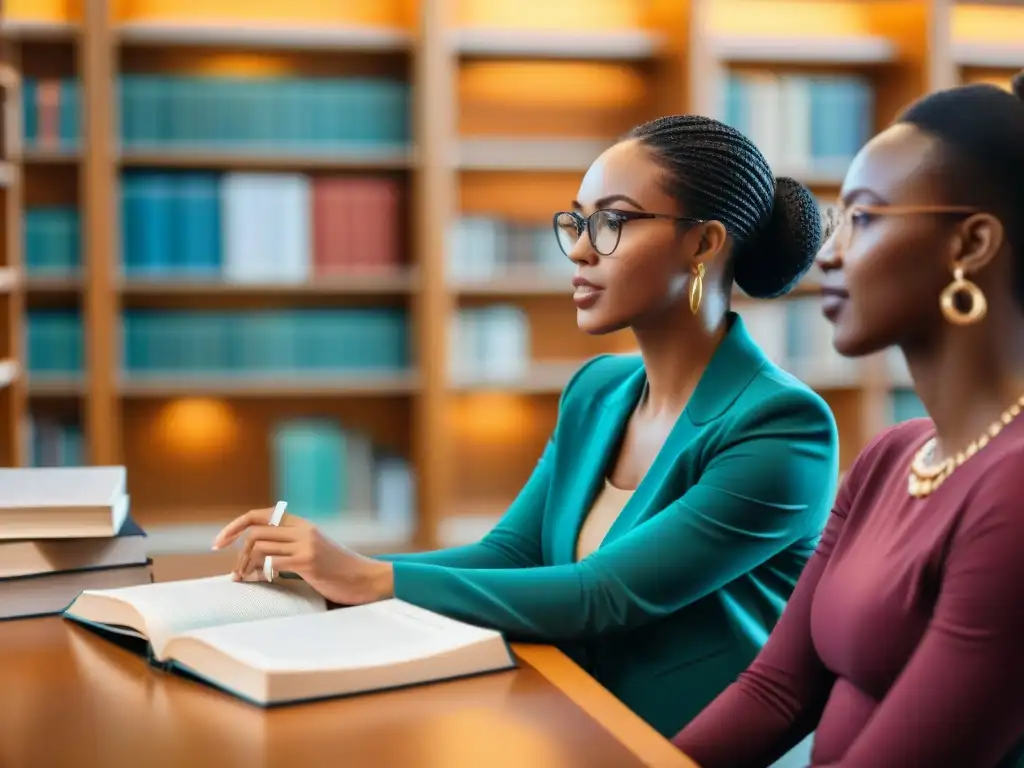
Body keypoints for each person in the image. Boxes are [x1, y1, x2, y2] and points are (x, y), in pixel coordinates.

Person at [212, 115, 840, 737]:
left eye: (613, 222)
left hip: (682, 744)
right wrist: (338, 572)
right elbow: (514, 552)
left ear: (704, 244)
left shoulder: (783, 427)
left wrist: (368, 579)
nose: (581, 249)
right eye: (577, 221)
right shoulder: (597, 389)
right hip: (565, 710)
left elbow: (604, 595)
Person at [673, 73, 1024, 767]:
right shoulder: (894, 455)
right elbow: (776, 691)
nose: (829, 255)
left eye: (863, 218)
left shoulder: (1014, 492)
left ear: (971, 245)